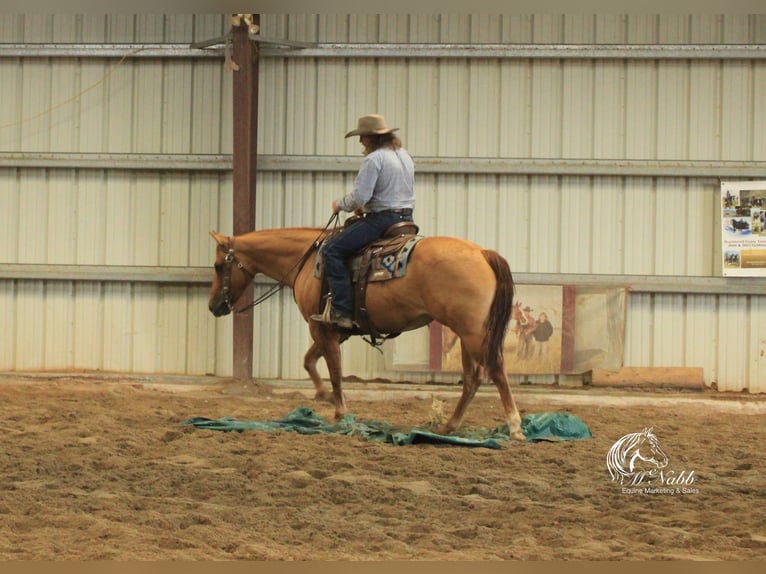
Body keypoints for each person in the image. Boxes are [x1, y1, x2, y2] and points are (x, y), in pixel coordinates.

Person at [311, 114, 415, 329]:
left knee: (332, 250)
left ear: (373, 138)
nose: (361, 142)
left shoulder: (374, 160)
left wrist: (340, 204)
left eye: (364, 137)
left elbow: (360, 197)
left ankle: (342, 311)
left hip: (382, 220)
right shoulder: (404, 155)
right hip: (406, 218)